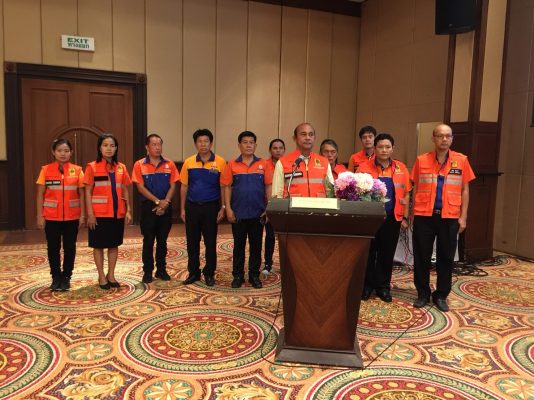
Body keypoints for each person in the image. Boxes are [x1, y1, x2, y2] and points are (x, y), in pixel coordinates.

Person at [411, 124, 475, 312]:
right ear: (433, 138)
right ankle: (423, 293)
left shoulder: (461, 160)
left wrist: (463, 217)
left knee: (446, 257)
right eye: (440, 136)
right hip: (424, 216)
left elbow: (465, 189)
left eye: (448, 136)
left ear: (452, 139)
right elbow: (415, 187)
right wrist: (412, 213)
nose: (444, 139)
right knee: (421, 256)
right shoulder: (421, 160)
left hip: (450, 217)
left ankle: (441, 295)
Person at [357, 133, 411, 302]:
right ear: (375, 148)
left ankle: (383, 287)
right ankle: (366, 286)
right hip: (370, 218)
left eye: (388, 147)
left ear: (392, 149)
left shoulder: (401, 168)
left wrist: (405, 217)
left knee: (387, 254)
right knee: (369, 253)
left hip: (393, 218)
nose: (384, 150)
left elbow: (407, 193)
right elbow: (357, 193)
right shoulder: (364, 167)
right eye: (380, 147)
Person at [36, 138, 85, 291]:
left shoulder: (78, 170)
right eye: (59, 150)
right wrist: (39, 215)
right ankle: (56, 277)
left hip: (72, 217)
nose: (63, 154)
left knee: (70, 247)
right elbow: (40, 194)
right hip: (51, 217)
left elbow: (82, 194)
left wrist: (83, 215)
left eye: (66, 151)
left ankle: (66, 276)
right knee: (53, 248)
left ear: (71, 152)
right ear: (53, 152)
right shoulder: (46, 170)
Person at [84, 133, 132, 290]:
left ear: (116, 148)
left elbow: (124, 189)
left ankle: (111, 275)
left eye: (112, 145)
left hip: (117, 213)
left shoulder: (121, 167)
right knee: (98, 246)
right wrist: (90, 214)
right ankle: (101, 276)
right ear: (99, 148)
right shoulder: (92, 167)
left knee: (113, 244)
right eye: (105, 145)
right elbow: (88, 191)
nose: (109, 149)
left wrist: (128, 209)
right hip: (99, 215)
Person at [221, 131, 268, 289]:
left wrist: (268, 208)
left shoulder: (263, 164)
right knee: (238, 246)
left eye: (251, 142)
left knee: (256, 246)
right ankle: (238, 276)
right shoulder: (231, 164)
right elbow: (227, 187)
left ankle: (254, 275)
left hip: (258, 213)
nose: (248, 145)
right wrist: (228, 208)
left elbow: (268, 187)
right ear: (239, 145)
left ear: (255, 145)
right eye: (245, 142)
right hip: (238, 213)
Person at [131, 134, 180, 284]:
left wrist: (165, 203)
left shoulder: (169, 164)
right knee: (148, 240)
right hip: (148, 207)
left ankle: (161, 269)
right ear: (147, 147)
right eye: (154, 144)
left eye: (160, 144)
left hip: (166, 206)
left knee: (162, 241)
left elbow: (173, 185)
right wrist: (158, 202)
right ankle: (147, 271)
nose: (158, 147)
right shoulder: (139, 164)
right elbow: (140, 188)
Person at [180, 129, 226, 287]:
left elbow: (223, 187)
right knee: (192, 242)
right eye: (200, 141)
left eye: (206, 141)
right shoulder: (188, 162)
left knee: (210, 242)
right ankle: (193, 272)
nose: (203, 144)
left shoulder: (220, 162)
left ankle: (209, 272)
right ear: (195, 144)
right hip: (192, 207)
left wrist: (223, 207)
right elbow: (184, 186)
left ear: (211, 143)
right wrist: (182, 208)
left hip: (211, 208)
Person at [271, 122, 333, 198]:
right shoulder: (282, 162)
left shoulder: (324, 162)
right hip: (293, 205)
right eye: (303, 134)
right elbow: (277, 194)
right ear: (295, 138)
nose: (308, 138)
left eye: (311, 134)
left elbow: (331, 193)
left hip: (319, 205)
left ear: (314, 138)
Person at [262, 138, 285, 275]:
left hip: (284, 206)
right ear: (270, 150)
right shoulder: (264, 165)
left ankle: (286, 264)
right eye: (275, 148)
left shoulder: (289, 164)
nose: (278, 150)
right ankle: (268, 264)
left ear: (284, 150)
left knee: (284, 238)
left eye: (280, 148)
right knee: (270, 236)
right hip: (268, 206)